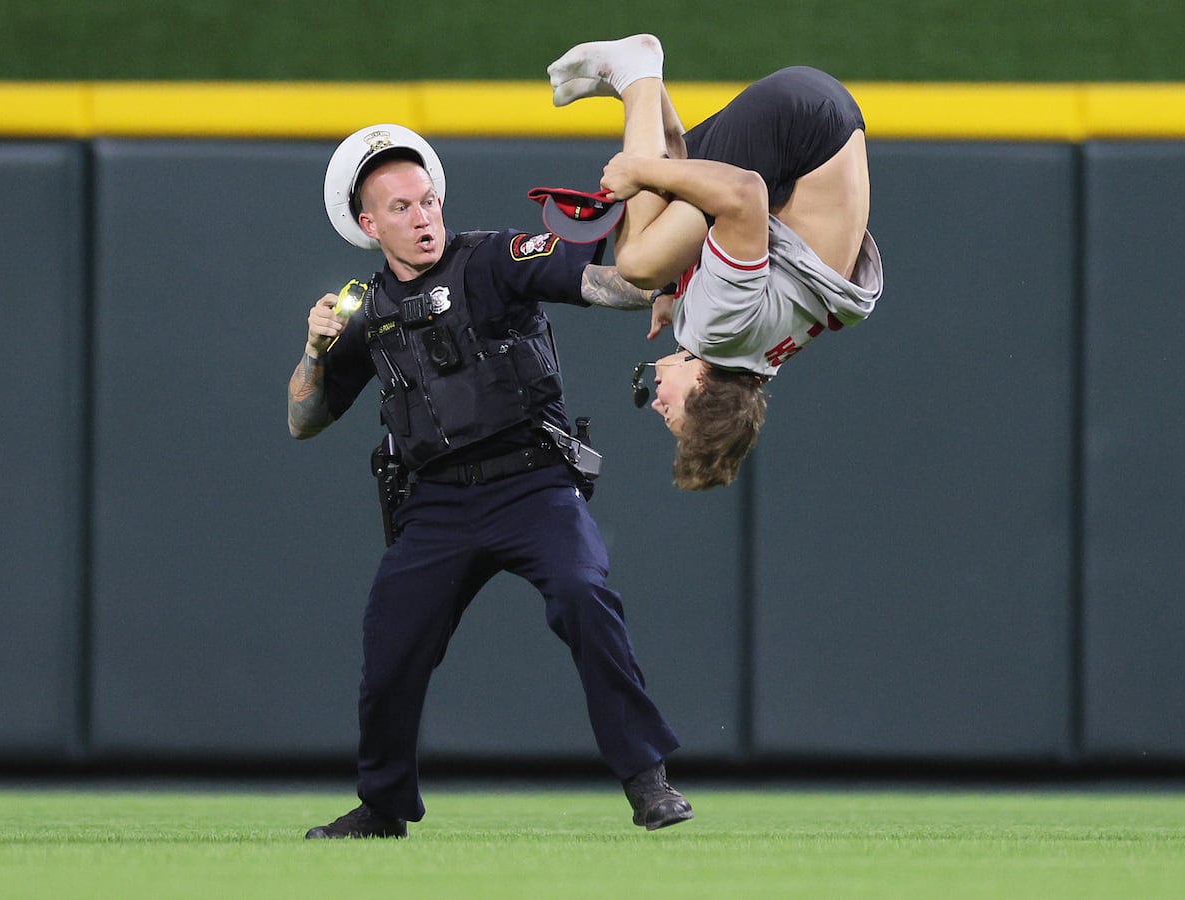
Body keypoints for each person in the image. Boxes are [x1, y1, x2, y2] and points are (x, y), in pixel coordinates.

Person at [288, 123, 693, 838]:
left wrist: (660, 278)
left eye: (428, 200)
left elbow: (604, 284)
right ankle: (383, 809)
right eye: (403, 208)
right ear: (368, 223)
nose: (423, 217)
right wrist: (316, 351)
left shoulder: (495, 259)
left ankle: (647, 779)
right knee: (390, 642)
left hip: (530, 483)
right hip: (437, 504)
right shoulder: (365, 313)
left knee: (582, 592)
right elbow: (303, 420)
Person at [546, 35, 885, 491]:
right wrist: (637, 172)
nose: (657, 404)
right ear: (701, 387)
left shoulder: (752, 357)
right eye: (671, 413)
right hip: (800, 128)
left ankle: (642, 85)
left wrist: (676, 292)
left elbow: (723, 216)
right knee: (640, 262)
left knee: (670, 224)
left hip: (826, 121)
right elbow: (744, 195)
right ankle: (635, 74)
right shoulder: (720, 333)